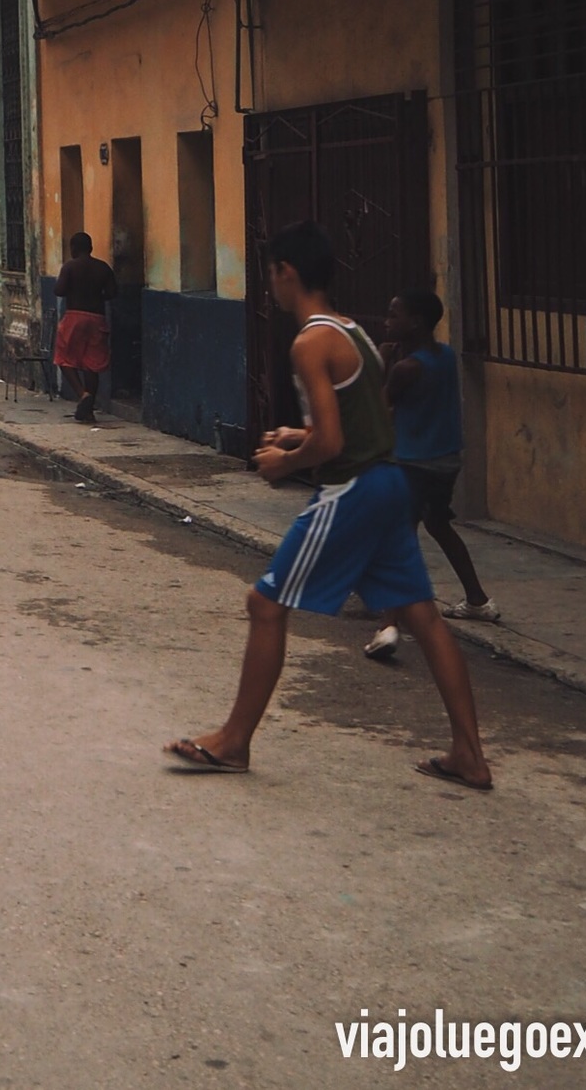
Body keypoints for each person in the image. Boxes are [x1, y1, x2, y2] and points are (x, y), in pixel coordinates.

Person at [166, 222, 490, 789]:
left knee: (266, 604)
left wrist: (283, 463)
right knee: (423, 616)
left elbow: (335, 444)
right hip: (390, 483)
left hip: (352, 490)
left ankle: (234, 741)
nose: (270, 286)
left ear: (285, 272)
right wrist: (296, 435)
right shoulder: (354, 332)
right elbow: (350, 422)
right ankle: (469, 753)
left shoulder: (309, 341)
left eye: (270, 275)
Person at [364, 289, 499, 660]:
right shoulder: (445, 356)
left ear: (416, 322)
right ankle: (477, 599)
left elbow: (379, 406)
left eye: (395, 315)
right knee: (438, 525)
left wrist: (381, 360)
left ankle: (388, 626)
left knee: (398, 539)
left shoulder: (408, 367)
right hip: (446, 461)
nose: (387, 321)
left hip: (414, 463)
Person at [53, 232, 118, 423]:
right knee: (93, 364)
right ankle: (88, 410)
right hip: (97, 318)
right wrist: (96, 296)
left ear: (74, 248)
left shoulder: (70, 267)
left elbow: (59, 290)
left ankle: (83, 395)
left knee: (64, 359)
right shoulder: (103, 268)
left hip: (74, 317)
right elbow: (113, 292)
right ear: (90, 248)